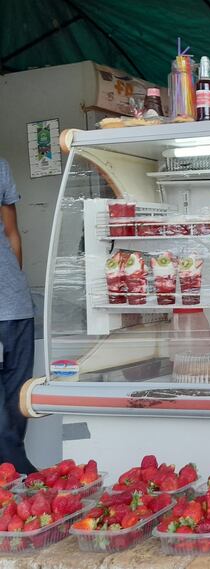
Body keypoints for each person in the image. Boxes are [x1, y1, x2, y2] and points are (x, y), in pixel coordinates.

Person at [0, 157, 37, 474]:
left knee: (17, 399)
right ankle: (19, 475)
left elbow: (12, 233)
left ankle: (14, 480)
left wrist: (13, 281)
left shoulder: (0, 166)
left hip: (14, 306)